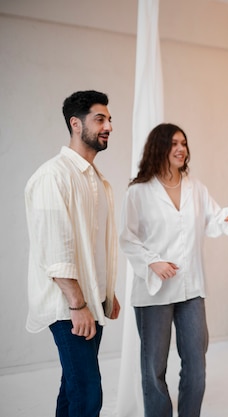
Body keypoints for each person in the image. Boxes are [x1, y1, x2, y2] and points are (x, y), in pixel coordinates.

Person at [119, 123, 228, 417]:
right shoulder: (138, 191)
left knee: (196, 366)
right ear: (158, 147)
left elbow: (213, 219)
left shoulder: (196, 188)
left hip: (191, 289)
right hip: (154, 292)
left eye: (184, 143)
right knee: (154, 369)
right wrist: (153, 261)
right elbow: (127, 238)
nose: (180, 148)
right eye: (174, 143)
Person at [24, 90, 121, 417]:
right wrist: (78, 304)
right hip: (69, 306)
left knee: (73, 388)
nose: (108, 125)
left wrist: (107, 293)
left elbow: (94, 246)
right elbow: (57, 249)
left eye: (109, 119)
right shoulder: (54, 176)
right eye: (100, 119)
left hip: (90, 302)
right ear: (75, 124)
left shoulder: (96, 180)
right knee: (88, 394)